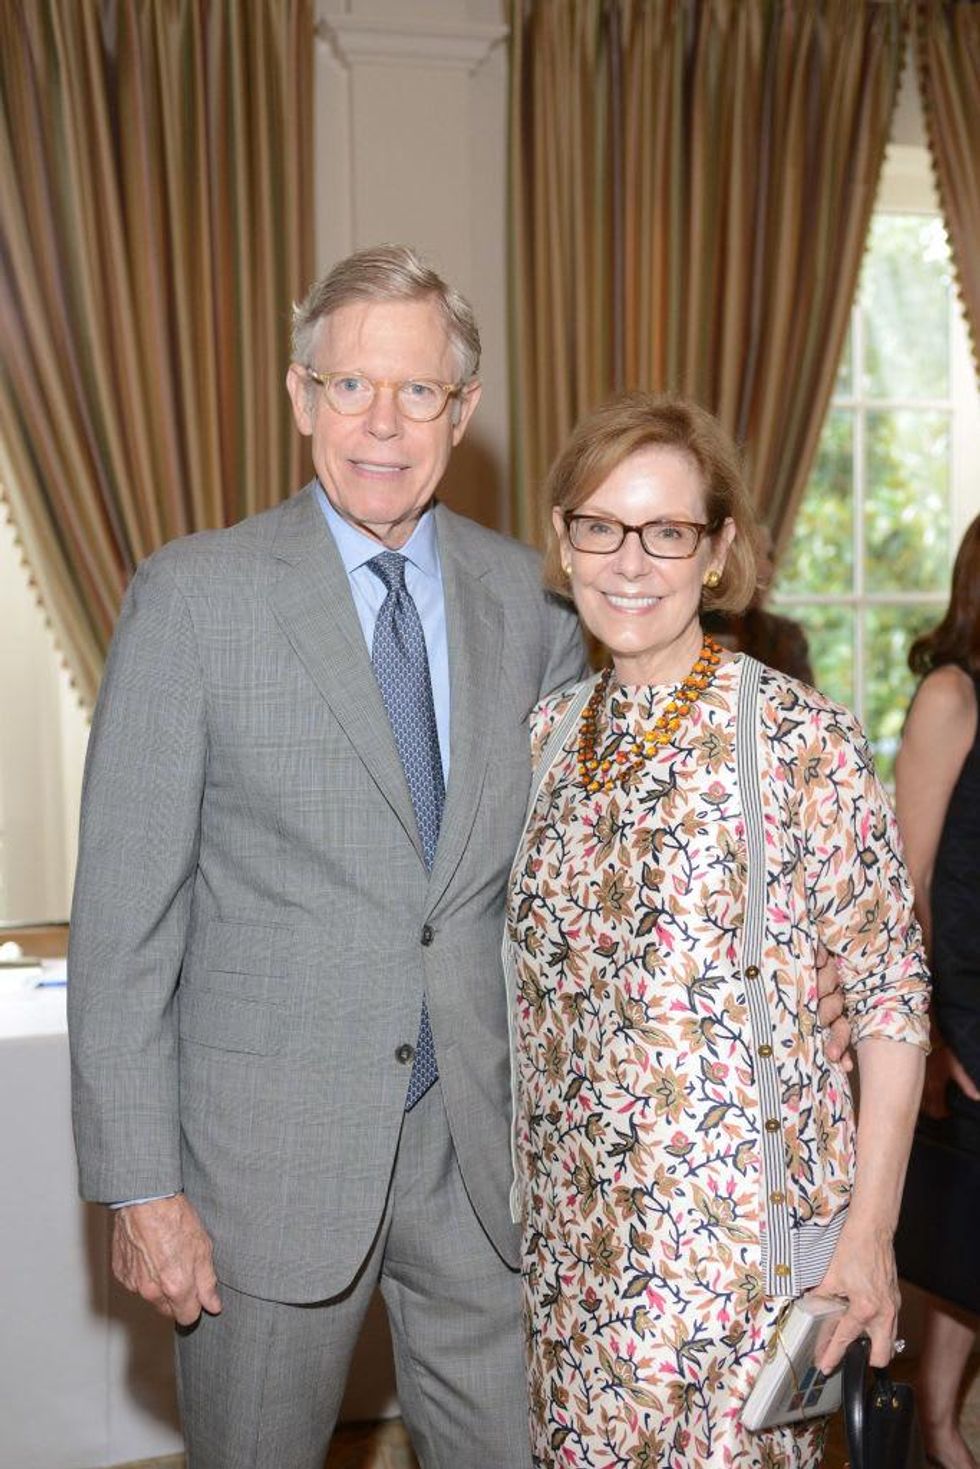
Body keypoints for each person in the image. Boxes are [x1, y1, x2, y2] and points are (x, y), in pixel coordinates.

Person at [67, 244, 588, 1469]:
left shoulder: (536, 607)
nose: (382, 424)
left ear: (460, 414)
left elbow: (574, 885)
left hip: (478, 1160)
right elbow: (123, 925)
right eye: (351, 386)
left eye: (417, 393)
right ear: (300, 396)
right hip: (261, 1168)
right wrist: (142, 1186)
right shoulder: (193, 597)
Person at [504, 392, 930, 1468]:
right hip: (572, 1265)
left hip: (733, 1279)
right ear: (563, 539)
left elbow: (888, 994)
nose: (629, 560)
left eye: (667, 531)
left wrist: (868, 1238)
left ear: (717, 549)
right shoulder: (548, 737)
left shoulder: (799, 737)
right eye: (599, 524)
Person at [894, 515, 980, 1469]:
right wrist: (929, 1038)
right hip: (965, 1010)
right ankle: (937, 1423)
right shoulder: (952, 696)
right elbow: (906, 883)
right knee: (960, 1234)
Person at [703, 525, 815, 683]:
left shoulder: (785, 637)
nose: (767, 570)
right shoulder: (680, 630)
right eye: (754, 555)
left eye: (769, 555)